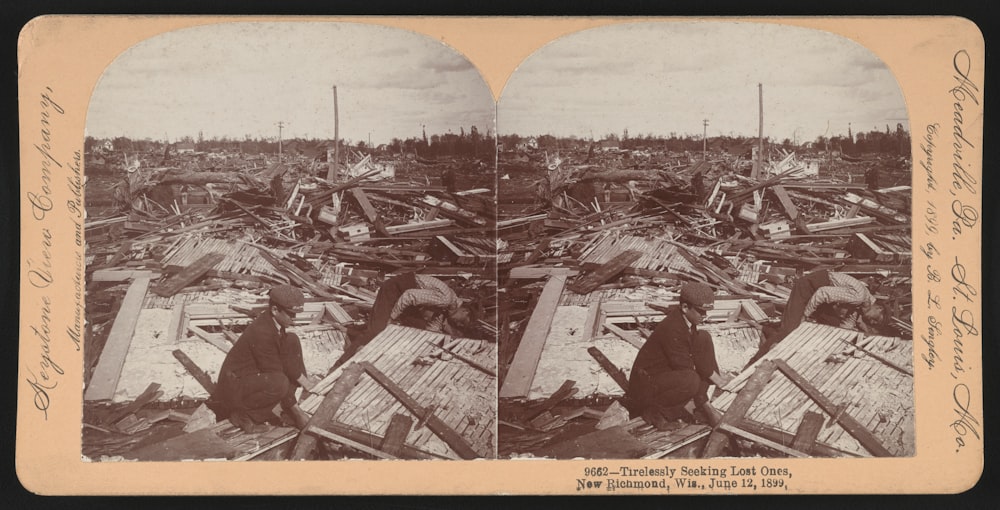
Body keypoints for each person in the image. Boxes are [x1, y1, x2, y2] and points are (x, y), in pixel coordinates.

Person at [210, 284, 319, 433]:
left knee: (292, 340)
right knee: (279, 382)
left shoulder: (273, 323)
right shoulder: (262, 332)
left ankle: (289, 406)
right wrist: (302, 388)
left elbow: (284, 358)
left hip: (251, 378)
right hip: (234, 387)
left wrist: (303, 380)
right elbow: (277, 371)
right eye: (290, 314)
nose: (294, 319)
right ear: (275, 310)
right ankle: (243, 415)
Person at [624, 282, 723, 430]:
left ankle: (705, 400)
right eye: (700, 311)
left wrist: (715, 377)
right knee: (690, 380)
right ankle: (656, 412)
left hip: (663, 378)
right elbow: (687, 368)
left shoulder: (687, 321)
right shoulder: (672, 329)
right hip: (645, 387)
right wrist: (709, 384)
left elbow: (697, 356)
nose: (704, 316)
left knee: (703, 337)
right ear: (684, 307)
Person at [749, 270, 884, 364]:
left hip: (822, 298)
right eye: (875, 319)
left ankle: (774, 335)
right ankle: (754, 362)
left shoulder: (859, 305)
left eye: (874, 323)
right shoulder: (859, 296)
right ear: (879, 308)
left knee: (831, 324)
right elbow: (822, 293)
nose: (871, 321)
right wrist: (805, 316)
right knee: (789, 330)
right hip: (808, 287)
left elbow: (846, 326)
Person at [358, 272, 472, 345]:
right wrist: (391, 318)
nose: (458, 323)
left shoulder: (446, 307)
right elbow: (409, 295)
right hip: (395, 288)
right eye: (462, 321)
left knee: (418, 325)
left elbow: (432, 328)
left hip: (405, 296)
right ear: (465, 310)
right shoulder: (446, 299)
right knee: (377, 330)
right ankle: (344, 360)